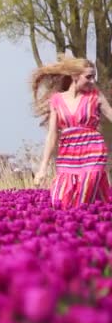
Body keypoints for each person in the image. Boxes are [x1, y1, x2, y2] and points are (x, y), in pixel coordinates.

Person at [32, 57, 112, 209]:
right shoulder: (56, 100)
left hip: (93, 151)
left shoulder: (95, 96)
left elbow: (110, 113)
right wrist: (42, 168)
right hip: (68, 153)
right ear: (75, 76)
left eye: (94, 76)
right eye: (88, 77)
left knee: (85, 194)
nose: (92, 81)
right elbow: (52, 134)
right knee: (61, 200)